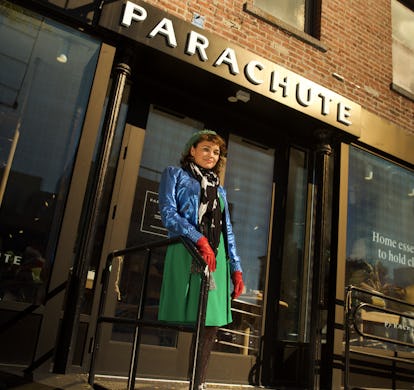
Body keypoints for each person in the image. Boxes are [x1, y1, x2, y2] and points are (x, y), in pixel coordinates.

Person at [158, 129, 244, 389]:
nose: (211, 155)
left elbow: (227, 229)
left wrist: (236, 269)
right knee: (187, 316)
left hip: (215, 257)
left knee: (211, 322)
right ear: (192, 150)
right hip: (186, 250)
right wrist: (199, 239)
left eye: (216, 152)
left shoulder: (220, 190)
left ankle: (198, 383)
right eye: (206, 149)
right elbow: (168, 214)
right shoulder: (174, 174)